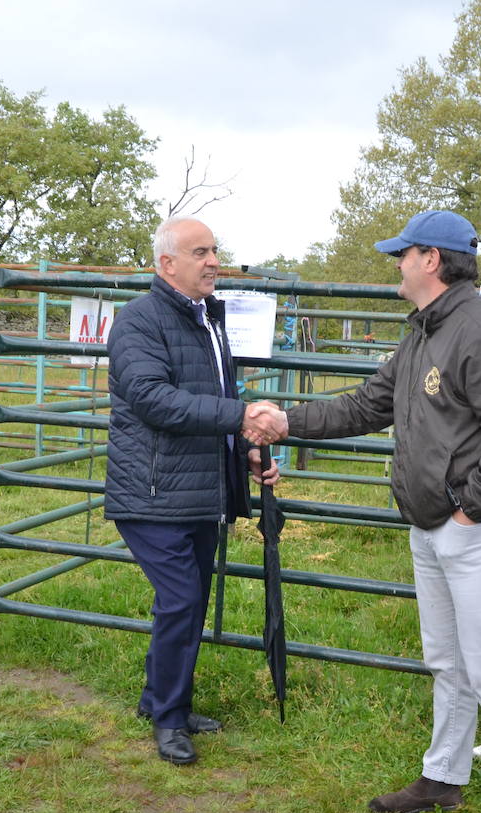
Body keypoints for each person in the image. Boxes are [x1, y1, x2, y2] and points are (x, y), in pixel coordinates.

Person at [285, 210, 481, 813]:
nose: (396, 264)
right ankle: (444, 777)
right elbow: (365, 407)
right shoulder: (424, 332)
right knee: (448, 659)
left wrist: (469, 512)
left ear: (431, 259)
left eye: (402, 254)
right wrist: (284, 420)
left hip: (477, 528)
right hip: (435, 523)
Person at [105, 215, 282, 767]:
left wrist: (246, 449)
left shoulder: (207, 319)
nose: (213, 262)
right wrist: (241, 414)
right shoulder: (139, 322)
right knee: (182, 598)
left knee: (187, 599)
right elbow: (154, 399)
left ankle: (159, 697)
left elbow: (216, 391)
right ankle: (170, 718)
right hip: (152, 491)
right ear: (167, 264)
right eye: (200, 252)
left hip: (199, 489)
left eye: (214, 251)